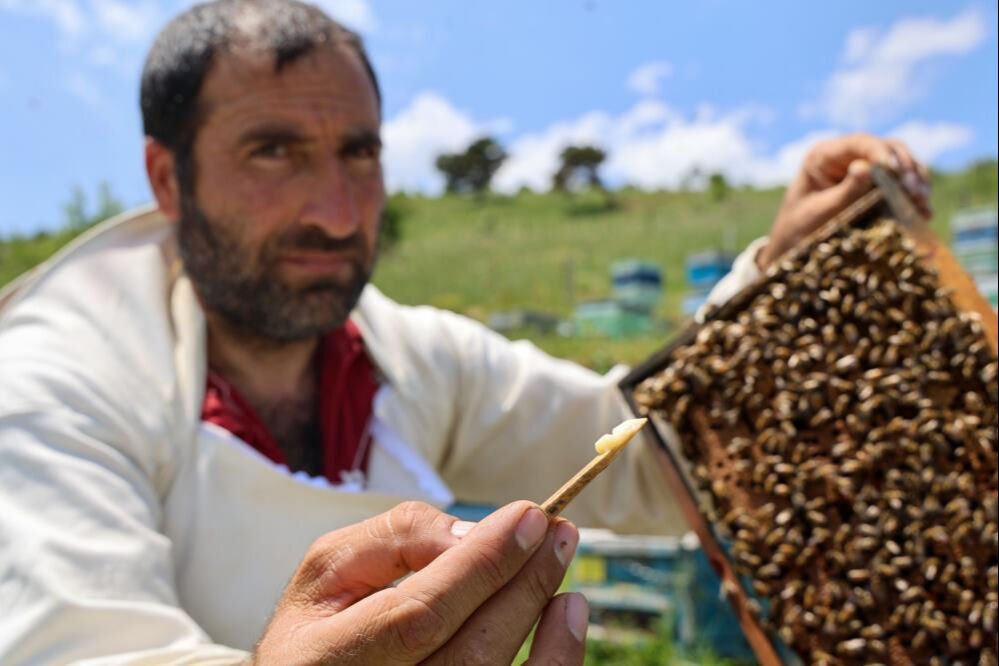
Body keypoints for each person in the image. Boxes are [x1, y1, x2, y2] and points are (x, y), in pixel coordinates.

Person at [0, 1, 930, 664]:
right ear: (167, 179)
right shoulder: (48, 382)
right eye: (273, 151)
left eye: (359, 153)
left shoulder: (407, 352)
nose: (336, 211)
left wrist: (774, 277)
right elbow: (74, 647)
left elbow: (652, 453)